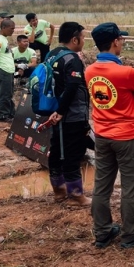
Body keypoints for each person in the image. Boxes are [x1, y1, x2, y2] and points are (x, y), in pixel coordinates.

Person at [85, 22, 134, 249]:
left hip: (102, 136)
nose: (122, 42)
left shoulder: (89, 71)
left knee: (102, 186)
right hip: (126, 137)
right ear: (115, 42)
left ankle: (102, 232)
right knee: (130, 186)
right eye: (121, 39)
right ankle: (130, 234)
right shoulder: (127, 72)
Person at [46, 22, 92, 207]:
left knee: (57, 151)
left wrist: (57, 111)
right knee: (74, 153)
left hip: (54, 112)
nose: (84, 40)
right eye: (83, 37)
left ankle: (59, 191)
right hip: (72, 115)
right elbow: (72, 87)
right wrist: (61, 112)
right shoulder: (72, 59)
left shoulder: (52, 54)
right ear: (74, 39)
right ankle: (76, 196)